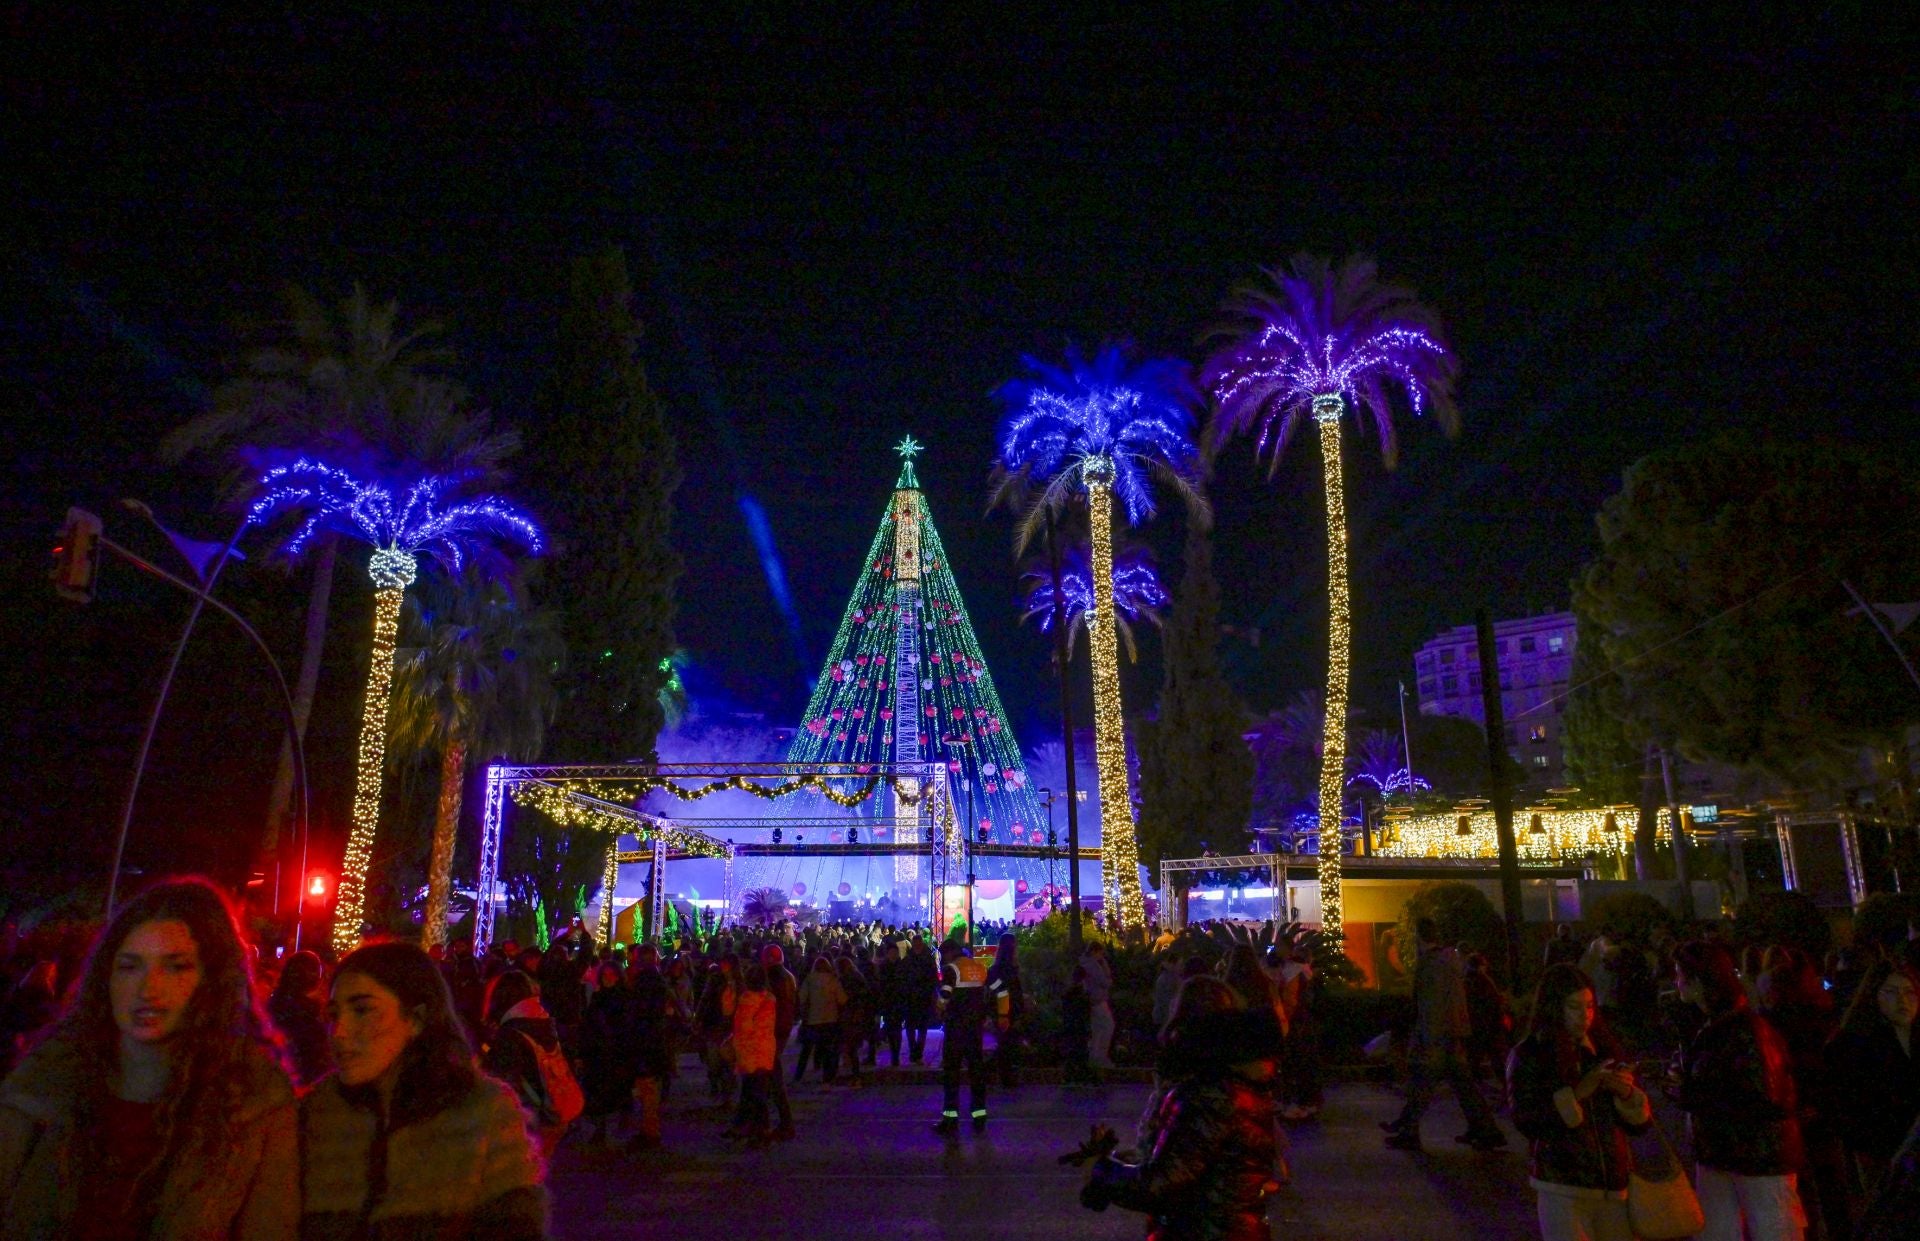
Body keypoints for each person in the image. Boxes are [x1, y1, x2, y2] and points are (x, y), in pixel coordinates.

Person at [0, 878, 299, 1239]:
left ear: (212, 980)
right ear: (104, 976)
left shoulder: (253, 1101)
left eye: (176, 967)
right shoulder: (48, 1080)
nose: (148, 989)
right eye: (130, 966)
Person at [303, 940, 546, 1239]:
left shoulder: (484, 1114)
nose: (339, 1032)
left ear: (416, 1019)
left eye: (363, 1010)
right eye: (333, 1014)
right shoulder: (315, 1115)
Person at [1084, 977, 1277, 1239]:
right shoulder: (1234, 1085)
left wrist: (1101, 1169)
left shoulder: (1209, 1096)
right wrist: (1118, 1161)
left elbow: (1164, 1183)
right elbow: (1185, 1162)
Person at [1671, 940, 1806, 1241]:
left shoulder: (1742, 1030)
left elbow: (1761, 1097)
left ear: (1700, 980)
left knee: (1770, 1229)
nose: (1676, 982)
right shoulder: (1722, 1025)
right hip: (1728, 1154)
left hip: (1757, 1157)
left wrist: (1691, 1093)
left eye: (1680, 974)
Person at [1506, 964, 1652, 1241]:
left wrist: (1626, 1094)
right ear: (1553, 1007)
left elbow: (1639, 1125)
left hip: (1613, 1185)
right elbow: (1527, 1120)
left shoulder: (1603, 1048)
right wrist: (1579, 1092)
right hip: (1562, 1187)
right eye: (1574, 1007)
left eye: (1589, 1006)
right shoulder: (1531, 1054)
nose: (1584, 1016)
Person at [1384, 918, 1505, 1152]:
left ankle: (1408, 1130)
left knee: (1423, 1084)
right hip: (1453, 1032)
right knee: (1464, 1085)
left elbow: (1430, 1003)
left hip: (1437, 1034)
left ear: (1419, 936)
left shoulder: (1431, 965)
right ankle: (1486, 1130)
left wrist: (1425, 1036)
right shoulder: (1451, 960)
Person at [1827, 959, 1920, 1190]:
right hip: (1882, 1153)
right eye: (1891, 992)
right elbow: (1848, 1107)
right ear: (1873, 994)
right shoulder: (1855, 1045)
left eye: (1910, 992)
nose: (1903, 1000)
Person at [480, 969, 570, 1158]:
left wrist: (486, 1047)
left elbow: (500, 1075)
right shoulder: (541, 1020)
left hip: (530, 1117)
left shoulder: (512, 1032)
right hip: (555, 1108)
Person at [933, 940, 1006, 1134]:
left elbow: (944, 997)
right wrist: (1002, 1015)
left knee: (951, 1074)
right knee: (976, 1073)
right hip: (975, 1030)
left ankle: (950, 1120)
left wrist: (939, 1009)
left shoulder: (951, 969)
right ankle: (979, 1118)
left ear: (948, 954)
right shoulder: (980, 968)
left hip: (956, 1029)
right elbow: (1002, 990)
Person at [578, 962, 636, 1146]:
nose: (608, 978)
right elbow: (588, 1025)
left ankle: (616, 1122)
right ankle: (600, 1128)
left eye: (612, 975)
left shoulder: (624, 999)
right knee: (598, 1091)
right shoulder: (597, 998)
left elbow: (627, 1026)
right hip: (598, 1052)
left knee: (615, 1089)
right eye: (605, 975)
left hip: (617, 1051)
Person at [625, 946, 672, 1150]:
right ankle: (649, 1129)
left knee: (648, 1087)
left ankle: (650, 1131)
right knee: (649, 1088)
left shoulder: (645, 982)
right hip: (652, 1040)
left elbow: (641, 1012)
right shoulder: (656, 980)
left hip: (646, 1041)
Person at [268, 947, 334, 1088]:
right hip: (305, 1082)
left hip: (277, 1078)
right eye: (314, 970)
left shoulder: (272, 1003)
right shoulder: (312, 1012)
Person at [728, 963, 778, 1144]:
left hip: (750, 1050)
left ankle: (759, 1130)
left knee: (754, 1092)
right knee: (753, 1091)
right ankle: (748, 1127)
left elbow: (742, 1025)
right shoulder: (768, 999)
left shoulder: (748, 1000)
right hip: (761, 1050)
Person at [759, 945, 797, 1140]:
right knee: (771, 1076)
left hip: (772, 1030)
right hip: (782, 1028)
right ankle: (777, 1122)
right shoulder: (788, 977)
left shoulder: (774, 978)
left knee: (771, 1077)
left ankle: (780, 1122)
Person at [795, 955, 848, 1084]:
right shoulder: (833, 980)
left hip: (813, 1019)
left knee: (806, 1049)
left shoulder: (809, 980)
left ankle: (798, 1076)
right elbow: (842, 999)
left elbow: (801, 999)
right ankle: (826, 1079)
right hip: (830, 1019)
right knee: (828, 1050)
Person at [986, 933, 1025, 1089]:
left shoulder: (996, 969)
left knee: (1005, 1043)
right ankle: (1006, 1077)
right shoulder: (1010, 969)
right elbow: (1011, 991)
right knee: (1008, 1044)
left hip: (1001, 1010)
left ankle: (1004, 1076)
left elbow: (994, 988)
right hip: (1008, 1010)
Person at [901, 939, 938, 1065]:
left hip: (917, 997)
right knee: (918, 1027)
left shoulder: (908, 959)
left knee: (916, 1027)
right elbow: (933, 978)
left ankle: (915, 1053)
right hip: (918, 997)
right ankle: (916, 1053)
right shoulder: (927, 958)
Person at [1083, 942, 1116, 1071]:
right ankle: (1100, 1057)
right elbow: (1105, 981)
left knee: (1098, 1029)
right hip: (1098, 1000)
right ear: (1094, 952)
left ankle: (1095, 1057)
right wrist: (1108, 976)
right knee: (1107, 1026)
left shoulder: (1086, 964)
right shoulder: (1093, 965)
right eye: (1100, 953)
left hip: (1094, 999)